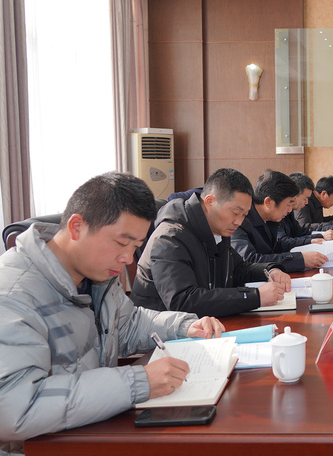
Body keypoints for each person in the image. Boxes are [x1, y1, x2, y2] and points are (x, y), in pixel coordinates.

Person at [0, 173, 225, 453]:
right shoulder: (13, 296)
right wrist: (138, 382)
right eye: (121, 243)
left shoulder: (96, 275)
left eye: (135, 247)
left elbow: (128, 324)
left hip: (88, 432)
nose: (128, 258)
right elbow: (15, 408)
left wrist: (184, 326)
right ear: (77, 227)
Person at [131, 168, 291, 318]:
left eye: (244, 215)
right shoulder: (170, 237)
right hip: (160, 331)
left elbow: (237, 269)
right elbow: (183, 301)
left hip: (201, 324)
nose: (239, 222)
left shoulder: (217, 227)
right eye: (235, 213)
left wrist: (269, 270)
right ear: (210, 201)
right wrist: (254, 297)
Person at [231, 170, 328, 272]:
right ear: (269, 202)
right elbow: (250, 261)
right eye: (289, 204)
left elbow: (276, 247)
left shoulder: (269, 218)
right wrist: (300, 260)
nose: (290, 210)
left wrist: (305, 251)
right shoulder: (239, 221)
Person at [278, 172, 333, 249]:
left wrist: (322, 235)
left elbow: (300, 231)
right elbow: (283, 243)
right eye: (305, 198)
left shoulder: (290, 211)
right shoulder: (278, 213)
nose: (307, 202)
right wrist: (314, 239)